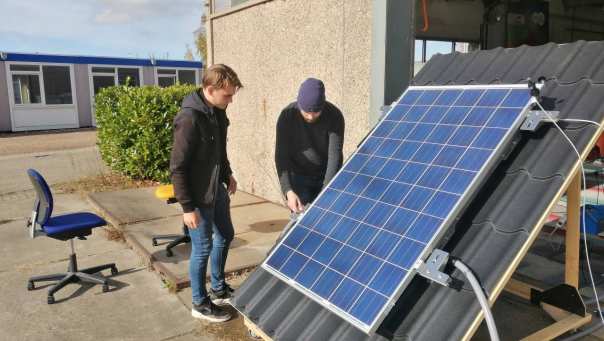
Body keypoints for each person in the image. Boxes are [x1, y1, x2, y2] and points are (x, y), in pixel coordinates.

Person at [170, 64, 242, 323]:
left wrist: (228, 174)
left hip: (216, 189)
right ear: (210, 90)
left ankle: (219, 289)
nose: (231, 100)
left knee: (226, 235)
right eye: (227, 95)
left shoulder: (217, 112)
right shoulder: (189, 118)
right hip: (198, 197)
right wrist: (187, 207)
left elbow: (218, 151)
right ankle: (199, 303)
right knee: (202, 248)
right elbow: (177, 168)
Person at [275, 78, 345, 213]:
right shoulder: (287, 116)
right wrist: (288, 190)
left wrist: (326, 192)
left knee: (325, 216)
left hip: (326, 175)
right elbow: (281, 156)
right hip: (299, 177)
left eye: (316, 112)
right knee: (302, 223)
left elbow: (334, 157)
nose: (311, 117)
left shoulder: (335, 116)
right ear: (299, 104)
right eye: (306, 112)